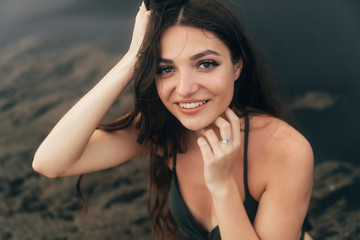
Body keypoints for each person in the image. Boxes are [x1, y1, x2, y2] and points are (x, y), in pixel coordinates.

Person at [33, 0, 313, 239]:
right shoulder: (165, 127)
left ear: (236, 66)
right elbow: (50, 161)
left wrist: (222, 184)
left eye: (205, 64)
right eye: (165, 68)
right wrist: (132, 60)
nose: (184, 88)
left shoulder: (287, 151)